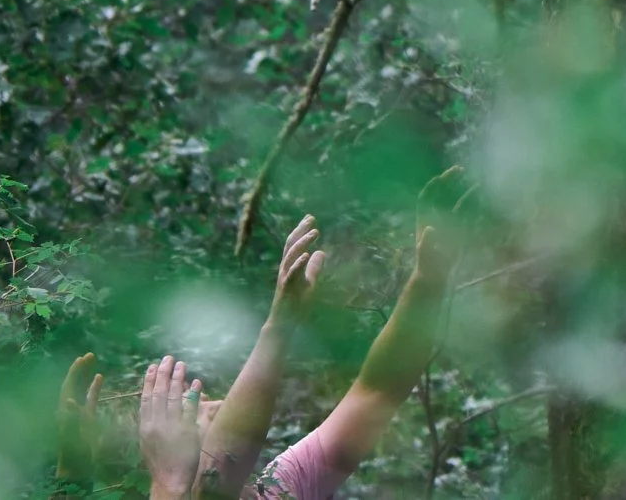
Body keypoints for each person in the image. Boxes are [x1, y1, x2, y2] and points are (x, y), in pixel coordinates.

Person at [131, 207, 453, 500]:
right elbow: (218, 466)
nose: (216, 408)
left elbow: (377, 392)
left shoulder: (282, 489)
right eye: (196, 411)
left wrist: (429, 281)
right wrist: (168, 485)